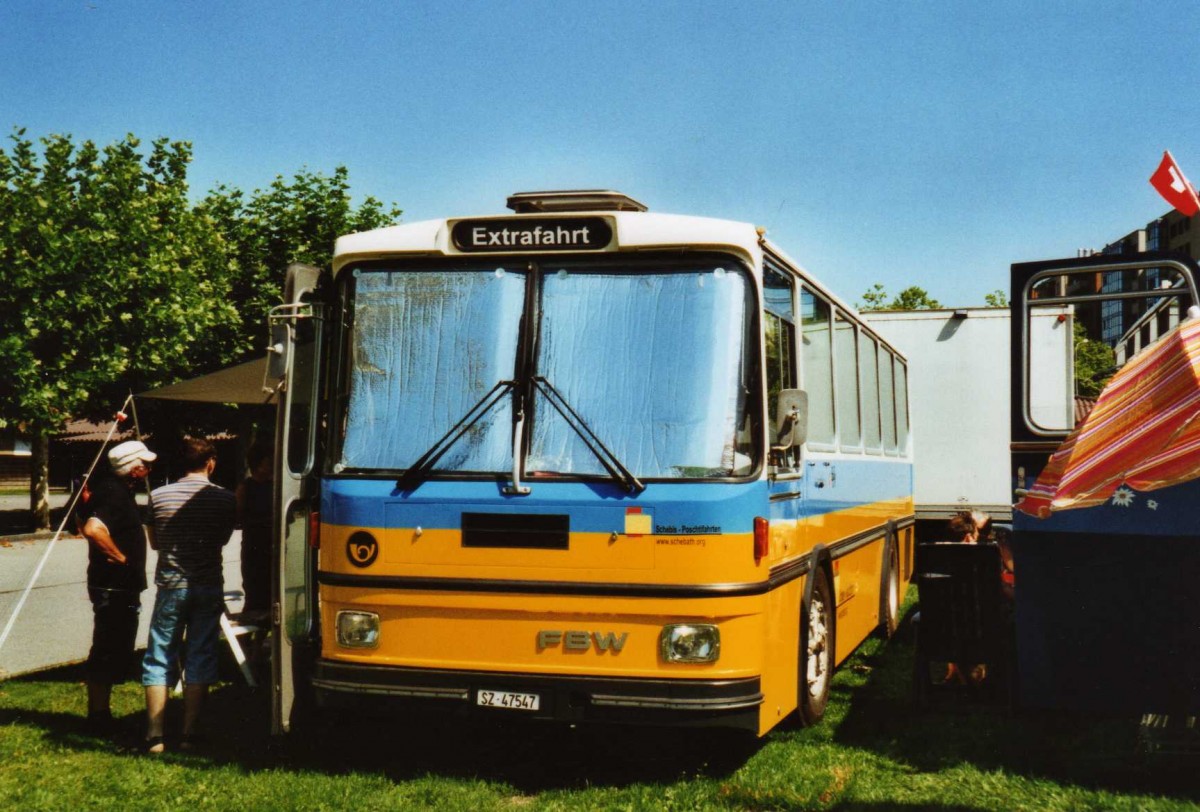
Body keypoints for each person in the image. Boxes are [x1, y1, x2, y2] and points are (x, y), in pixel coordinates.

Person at [141, 437, 236, 753]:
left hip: (170, 586)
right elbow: (222, 538)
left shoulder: (158, 496)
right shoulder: (225, 498)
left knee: (159, 653)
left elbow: (155, 542)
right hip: (207, 584)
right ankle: (189, 733)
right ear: (211, 463)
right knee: (200, 653)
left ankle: (155, 734)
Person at [79, 440, 156, 734]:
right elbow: (92, 529)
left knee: (114, 647)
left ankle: (101, 713)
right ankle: (98, 716)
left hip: (119, 586)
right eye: (145, 464)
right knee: (107, 647)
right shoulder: (113, 493)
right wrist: (121, 558)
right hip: (113, 586)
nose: (149, 469)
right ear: (132, 468)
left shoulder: (116, 490)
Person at [234, 442, 273, 616]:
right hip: (254, 545)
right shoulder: (245, 487)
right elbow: (237, 516)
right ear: (258, 465)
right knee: (254, 586)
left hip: (273, 545)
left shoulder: (276, 486)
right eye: (268, 462)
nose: (272, 466)